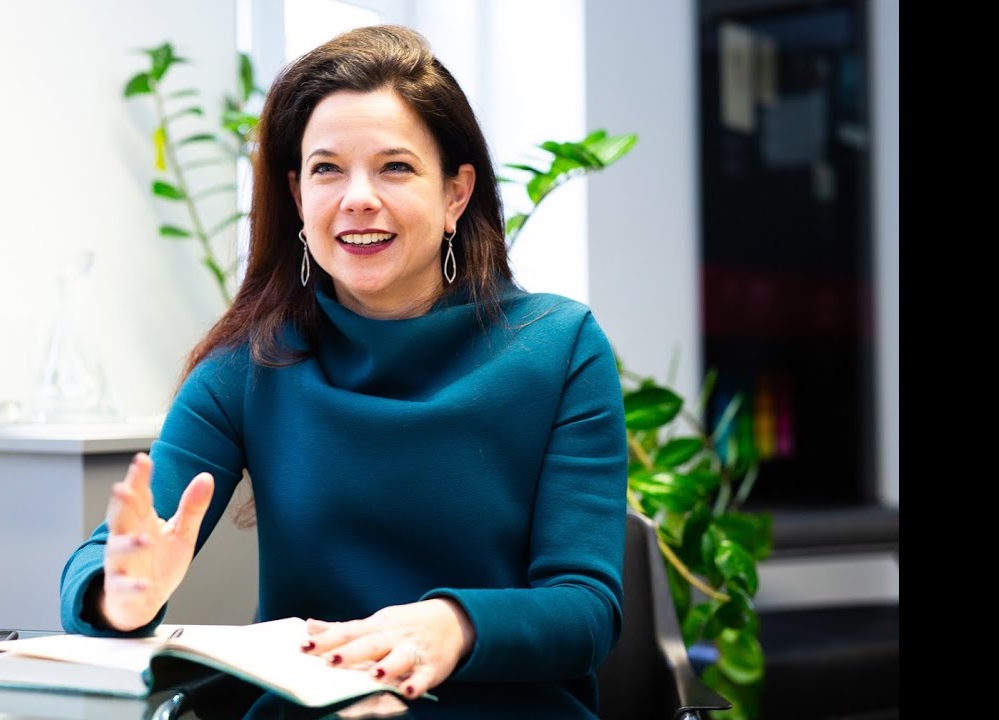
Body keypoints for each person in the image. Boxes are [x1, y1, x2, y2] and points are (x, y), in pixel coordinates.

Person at [60, 24, 627, 719]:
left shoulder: (559, 347)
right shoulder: (247, 364)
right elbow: (101, 562)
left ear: (455, 194)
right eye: (328, 169)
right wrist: (118, 593)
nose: (357, 197)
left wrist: (453, 626)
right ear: (298, 197)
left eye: (395, 167)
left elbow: (586, 610)